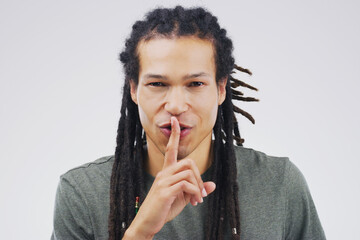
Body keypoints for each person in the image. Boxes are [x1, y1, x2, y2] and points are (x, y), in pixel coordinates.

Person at [51, 5, 326, 240]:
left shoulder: (279, 184)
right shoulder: (82, 193)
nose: (176, 105)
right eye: (158, 84)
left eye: (195, 83)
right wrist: (141, 230)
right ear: (133, 90)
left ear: (220, 89)